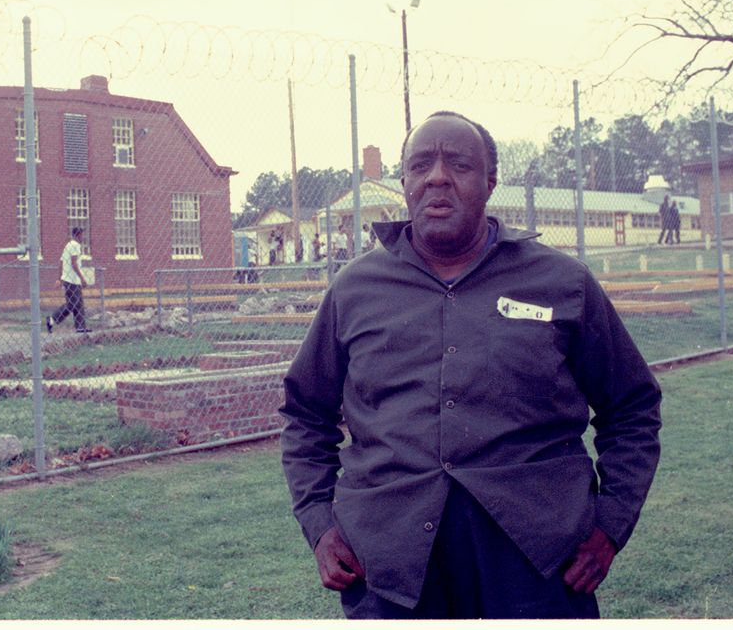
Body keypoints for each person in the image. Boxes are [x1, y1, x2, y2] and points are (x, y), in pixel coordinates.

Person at [280, 111, 662, 620]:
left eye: (458, 163)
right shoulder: (354, 289)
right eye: (421, 165)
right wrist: (319, 523)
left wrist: (611, 524)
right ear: (405, 184)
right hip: (390, 563)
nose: (437, 176)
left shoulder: (561, 283)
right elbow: (305, 413)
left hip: (540, 562)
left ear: (490, 183)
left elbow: (632, 407)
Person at [46, 227, 90, 334]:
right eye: (82, 235)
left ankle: (80, 327)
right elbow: (74, 263)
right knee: (72, 304)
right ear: (78, 234)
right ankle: (52, 319)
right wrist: (83, 278)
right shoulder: (75, 245)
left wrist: (59, 278)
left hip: (68, 279)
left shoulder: (68, 245)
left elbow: (61, 262)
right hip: (72, 280)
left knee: (78, 304)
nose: (83, 237)